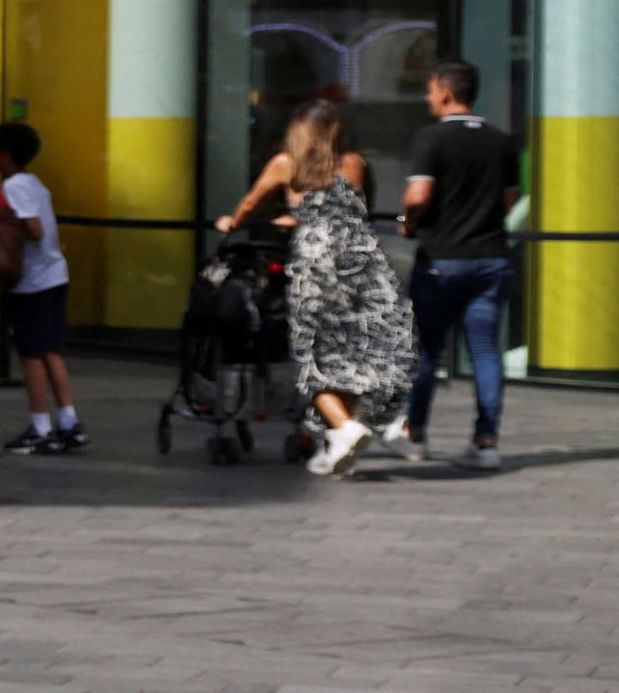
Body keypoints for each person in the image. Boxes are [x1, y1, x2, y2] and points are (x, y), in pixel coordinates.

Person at [219, 98, 404, 478]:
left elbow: (251, 204)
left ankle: (345, 427)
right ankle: (335, 448)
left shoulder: (286, 164)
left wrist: (232, 221)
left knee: (311, 362)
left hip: (316, 270)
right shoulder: (354, 164)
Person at [400, 57, 517, 469]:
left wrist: (408, 223)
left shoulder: (431, 139)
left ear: (446, 92)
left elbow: (418, 197)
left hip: (442, 260)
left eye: (430, 90)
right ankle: (486, 441)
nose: (428, 98)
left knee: (427, 351)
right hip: (491, 261)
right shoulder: (501, 141)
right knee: (485, 350)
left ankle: (415, 435)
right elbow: (508, 200)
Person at [0, 122, 80, 453]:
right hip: (54, 276)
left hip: (31, 282)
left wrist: (3, 230)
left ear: (5, 156)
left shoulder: (14, 187)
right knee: (51, 351)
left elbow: (33, 229)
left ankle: (40, 425)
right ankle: (68, 420)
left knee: (31, 355)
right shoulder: (35, 183)